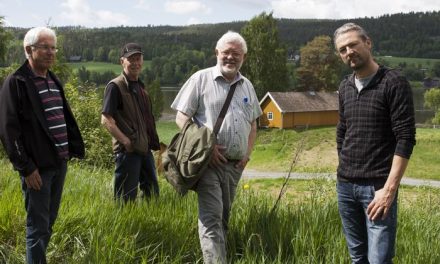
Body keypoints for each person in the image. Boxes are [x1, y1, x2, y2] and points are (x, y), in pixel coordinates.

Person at [171, 31, 262, 264]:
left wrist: (247, 156)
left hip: (235, 166)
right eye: (226, 52)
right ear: (216, 53)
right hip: (209, 164)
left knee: (222, 217)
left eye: (236, 53)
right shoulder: (200, 79)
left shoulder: (247, 86)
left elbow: (253, 124)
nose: (230, 57)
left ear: (244, 57)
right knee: (211, 218)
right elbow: (181, 118)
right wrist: (206, 150)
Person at [0, 26, 85, 264]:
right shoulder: (16, 82)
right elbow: (8, 130)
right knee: (37, 227)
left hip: (59, 162)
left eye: (53, 47)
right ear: (29, 50)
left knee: (48, 222)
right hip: (37, 168)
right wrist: (26, 167)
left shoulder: (52, 79)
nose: (51, 52)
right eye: (45, 47)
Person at [334, 22, 416, 263]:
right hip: (346, 187)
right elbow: (342, 131)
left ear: (368, 43)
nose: (348, 52)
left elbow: (405, 138)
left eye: (353, 45)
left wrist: (389, 190)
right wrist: (345, 168)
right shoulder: (345, 87)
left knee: (378, 260)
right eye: (342, 49)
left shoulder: (393, 82)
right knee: (357, 257)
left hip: (378, 188)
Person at [101, 42, 160, 202]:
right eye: (130, 59)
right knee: (125, 199)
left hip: (144, 149)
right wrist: (125, 141)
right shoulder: (116, 86)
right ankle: (125, 226)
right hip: (128, 151)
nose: (135, 63)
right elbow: (106, 120)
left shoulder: (141, 87)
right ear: (122, 61)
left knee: (152, 194)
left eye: (138, 58)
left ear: (142, 60)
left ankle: (151, 225)